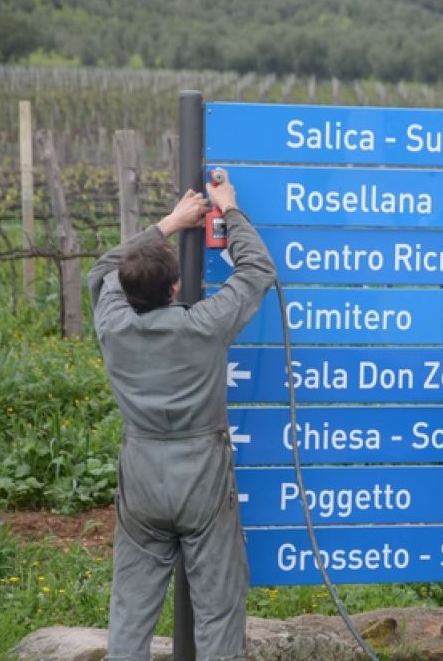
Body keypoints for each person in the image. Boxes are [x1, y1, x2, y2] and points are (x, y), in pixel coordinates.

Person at [88, 169, 276, 660]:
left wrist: (167, 223)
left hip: (141, 476)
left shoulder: (112, 324)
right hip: (203, 477)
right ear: (176, 287)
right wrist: (229, 208)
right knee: (217, 609)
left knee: (131, 610)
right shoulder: (203, 326)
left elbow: (101, 270)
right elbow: (256, 271)